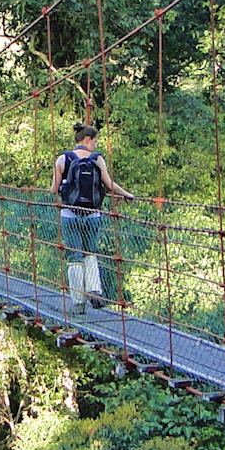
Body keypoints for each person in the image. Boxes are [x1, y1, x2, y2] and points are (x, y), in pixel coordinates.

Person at [51, 122, 135, 313]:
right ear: (87, 140)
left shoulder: (62, 159)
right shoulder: (97, 159)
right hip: (92, 215)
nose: (95, 146)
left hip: (69, 215)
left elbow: (54, 189)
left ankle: (78, 302)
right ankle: (94, 290)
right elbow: (109, 184)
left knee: (74, 256)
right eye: (95, 141)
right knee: (90, 252)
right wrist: (127, 194)